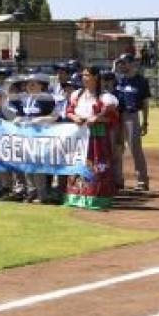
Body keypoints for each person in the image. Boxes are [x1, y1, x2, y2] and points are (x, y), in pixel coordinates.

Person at [65, 67, 120, 209]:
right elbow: (69, 111)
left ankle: (96, 198)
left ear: (95, 77)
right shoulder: (77, 94)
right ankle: (76, 197)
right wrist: (74, 117)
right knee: (78, 164)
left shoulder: (105, 97)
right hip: (79, 137)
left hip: (97, 138)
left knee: (96, 165)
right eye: (83, 75)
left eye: (87, 75)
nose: (84, 78)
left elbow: (113, 118)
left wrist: (98, 119)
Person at [7, 72, 58, 203]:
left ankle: (42, 194)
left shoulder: (46, 98)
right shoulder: (26, 99)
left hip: (41, 136)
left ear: (41, 85)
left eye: (33, 83)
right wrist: (18, 119)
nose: (29, 86)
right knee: (27, 165)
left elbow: (55, 116)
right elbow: (20, 115)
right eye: (28, 84)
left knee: (37, 166)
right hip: (27, 136)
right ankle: (31, 192)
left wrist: (40, 119)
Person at [113, 54, 151, 192]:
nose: (120, 66)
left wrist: (145, 122)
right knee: (117, 148)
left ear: (131, 64)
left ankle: (142, 181)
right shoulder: (117, 80)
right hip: (116, 116)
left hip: (131, 115)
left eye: (123, 63)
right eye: (119, 63)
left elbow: (145, 103)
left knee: (135, 148)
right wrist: (114, 68)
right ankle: (117, 181)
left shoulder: (141, 81)